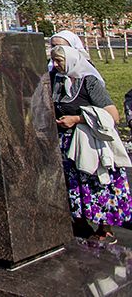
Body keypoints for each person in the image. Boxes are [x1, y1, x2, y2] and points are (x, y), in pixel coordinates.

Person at [50, 45, 132, 241]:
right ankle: (81, 224)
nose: (55, 64)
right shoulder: (57, 83)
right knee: (76, 186)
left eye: (59, 60)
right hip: (67, 145)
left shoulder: (89, 82)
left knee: (98, 185)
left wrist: (76, 119)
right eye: (53, 60)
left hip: (91, 144)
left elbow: (112, 115)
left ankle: (105, 229)